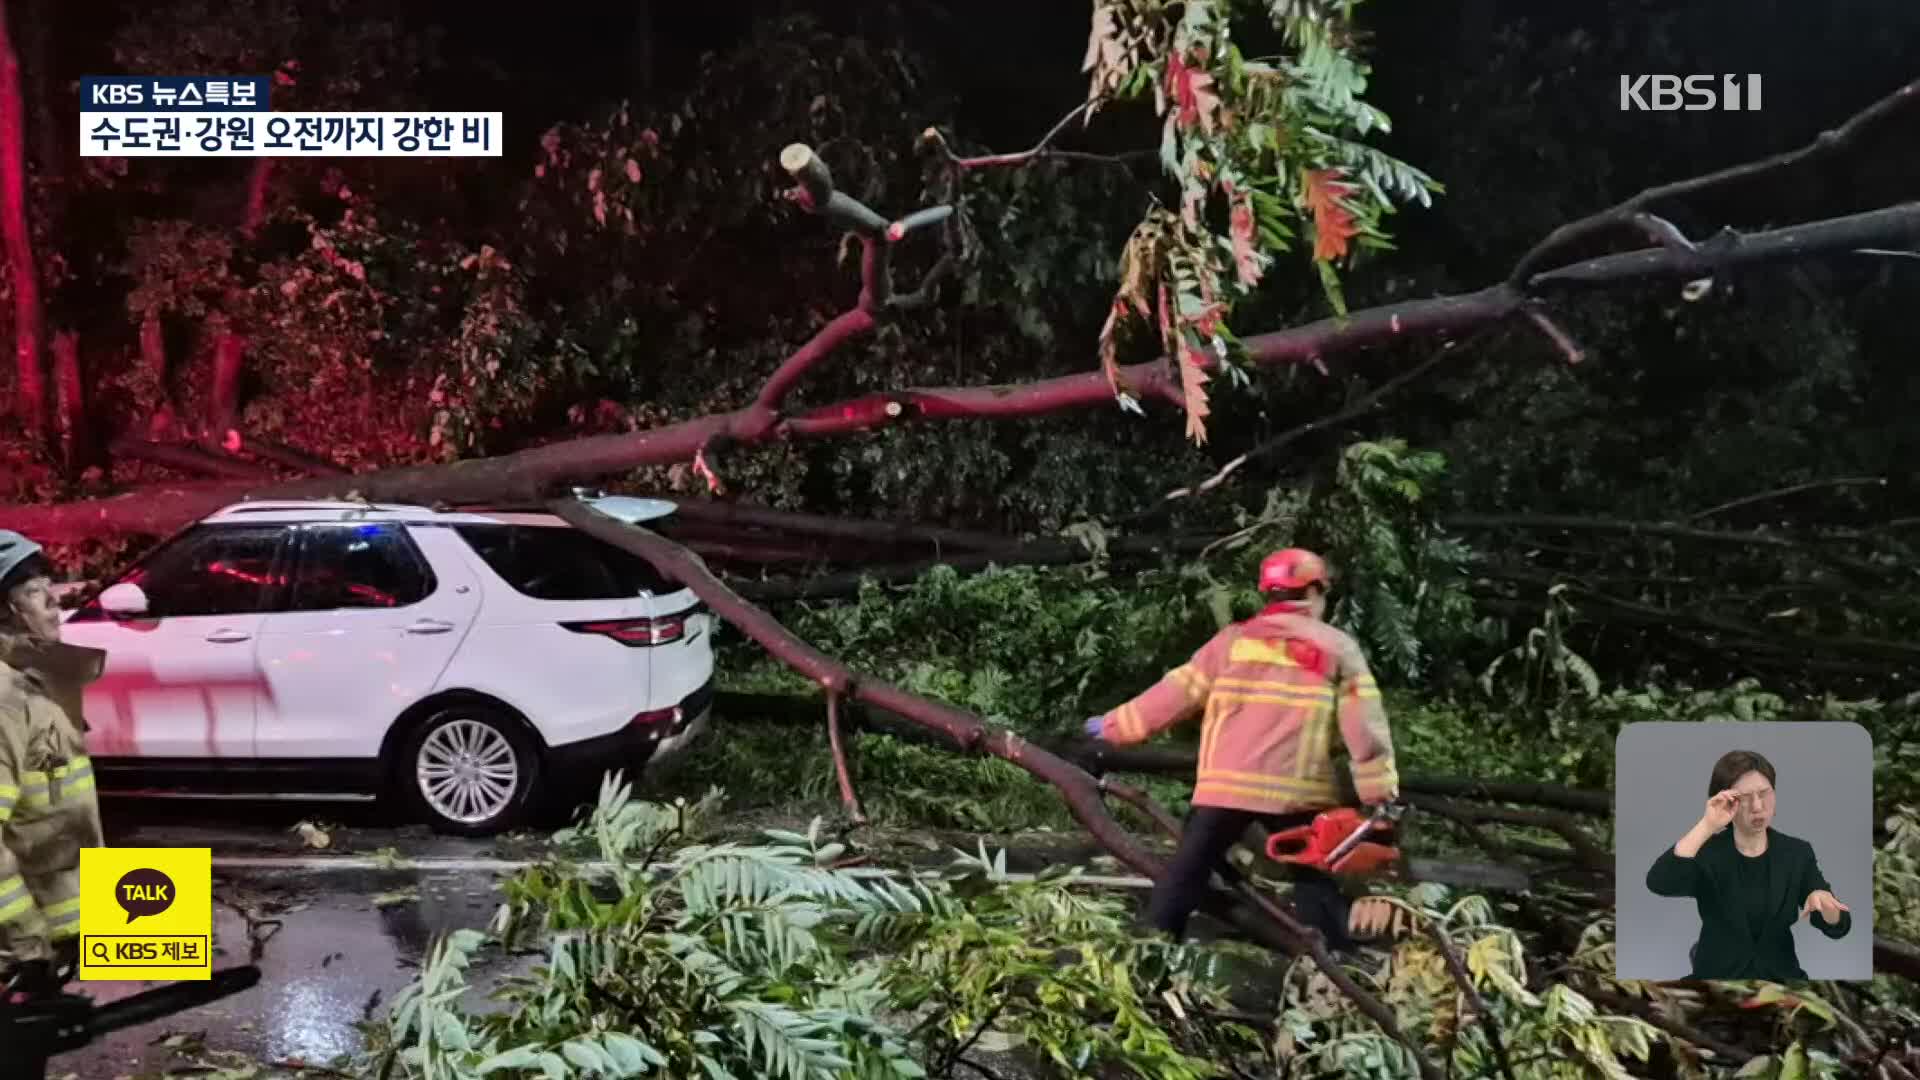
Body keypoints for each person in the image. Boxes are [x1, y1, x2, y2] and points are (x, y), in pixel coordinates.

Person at [1086, 547, 1398, 950]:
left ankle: (1150, 953)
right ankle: (1336, 968)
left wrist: (1108, 727)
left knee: (1186, 872)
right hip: (1296, 790)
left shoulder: (1232, 641)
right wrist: (1379, 796)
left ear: (1267, 592)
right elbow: (1365, 730)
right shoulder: (1338, 649)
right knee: (1314, 879)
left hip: (1225, 786)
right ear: (1316, 589)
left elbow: (1172, 696)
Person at [0, 530, 106, 997]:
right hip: (24, 955)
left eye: (50, 588)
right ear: (6, 609)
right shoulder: (4, 697)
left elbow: (61, 814)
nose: (52, 604)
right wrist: (26, 946)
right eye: (34, 592)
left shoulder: (38, 678)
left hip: (57, 936)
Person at [1645, 748, 1852, 981]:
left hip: (1780, 982)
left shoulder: (1796, 853)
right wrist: (1707, 825)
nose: (1757, 806)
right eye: (1744, 798)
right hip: (1715, 981)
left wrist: (1827, 907)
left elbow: (1839, 926)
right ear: (1726, 800)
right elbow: (1659, 882)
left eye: (1764, 793)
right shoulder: (1708, 852)